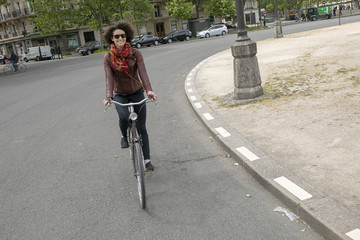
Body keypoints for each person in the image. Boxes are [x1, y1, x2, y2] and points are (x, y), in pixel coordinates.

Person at [102, 21, 158, 171]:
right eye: (117, 36)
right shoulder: (108, 57)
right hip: (119, 94)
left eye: (123, 36)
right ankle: (123, 136)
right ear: (111, 39)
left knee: (142, 128)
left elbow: (143, 73)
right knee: (123, 117)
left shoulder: (135, 53)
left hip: (137, 92)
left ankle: (147, 161)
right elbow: (109, 78)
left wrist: (150, 91)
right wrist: (109, 97)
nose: (120, 38)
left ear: (127, 37)